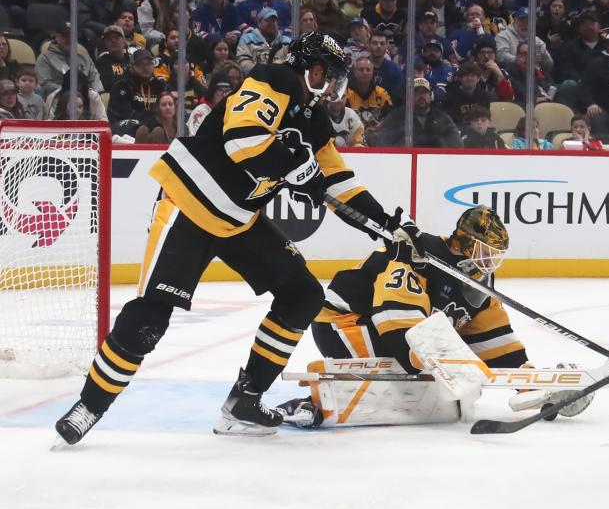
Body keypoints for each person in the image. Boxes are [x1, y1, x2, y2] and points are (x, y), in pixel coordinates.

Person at [54, 32, 424, 445]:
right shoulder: (275, 79)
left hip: (237, 219)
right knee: (150, 318)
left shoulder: (314, 119)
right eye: (325, 73)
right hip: (190, 203)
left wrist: (389, 225)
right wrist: (291, 164)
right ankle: (89, 405)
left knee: (302, 293)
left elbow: (338, 184)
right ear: (306, 67)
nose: (331, 85)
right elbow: (242, 138)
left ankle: (245, 400)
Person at [277, 205, 593, 426]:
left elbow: (492, 338)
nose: (492, 260)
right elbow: (394, 318)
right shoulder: (420, 253)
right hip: (343, 322)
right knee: (428, 375)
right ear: (467, 242)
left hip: (393, 331)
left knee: (442, 383)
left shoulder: (478, 280)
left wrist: (534, 385)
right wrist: (432, 364)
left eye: (496, 254)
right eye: (486, 250)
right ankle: (314, 405)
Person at [378, 77, 463, 148]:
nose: (421, 95)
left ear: (430, 96)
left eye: (424, 92)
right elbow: (382, 142)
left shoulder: (442, 118)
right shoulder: (395, 117)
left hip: (437, 163)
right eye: (416, 92)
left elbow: (457, 144)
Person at [107, 49, 165, 136]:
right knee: (135, 125)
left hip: (151, 125)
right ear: (131, 67)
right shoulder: (122, 86)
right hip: (123, 127)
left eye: (149, 64)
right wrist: (153, 119)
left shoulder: (158, 86)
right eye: (141, 64)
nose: (145, 68)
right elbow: (126, 114)